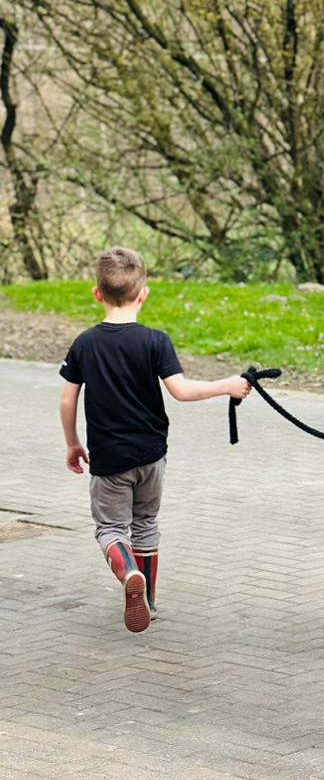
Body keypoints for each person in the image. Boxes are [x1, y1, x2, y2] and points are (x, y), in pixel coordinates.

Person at [59, 246, 251, 633]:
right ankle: (147, 599)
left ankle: (129, 572)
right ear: (143, 293)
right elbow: (180, 391)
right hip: (151, 455)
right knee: (145, 523)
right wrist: (227, 385)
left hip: (109, 458)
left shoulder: (85, 343)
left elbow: (67, 398)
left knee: (111, 529)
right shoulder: (155, 341)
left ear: (97, 293)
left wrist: (72, 443)